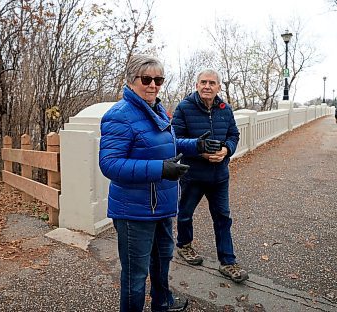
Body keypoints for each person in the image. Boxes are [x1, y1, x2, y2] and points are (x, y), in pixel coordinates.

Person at [99, 55, 220, 312]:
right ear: (131, 81)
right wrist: (160, 169)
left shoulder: (155, 109)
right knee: (135, 276)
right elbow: (109, 164)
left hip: (161, 205)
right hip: (134, 211)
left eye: (159, 79)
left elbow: (167, 146)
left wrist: (195, 145)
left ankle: (162, 302)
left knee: (163, 258)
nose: (153, 85)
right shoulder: (119, 115)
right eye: (146, 79)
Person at [171, 69, 249, 283]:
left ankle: (228, 262)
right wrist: (200, 150)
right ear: (196, 85)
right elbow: (175, 139)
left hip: (219, 176)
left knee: (223, 218)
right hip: (193, 174)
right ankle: (184, 245)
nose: (207, 86)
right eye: (203, 82)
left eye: (212, 83)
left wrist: (226, 150)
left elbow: (234, 135)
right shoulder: (184, 107)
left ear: (218, 87)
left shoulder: (225, 109)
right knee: (185, 214)